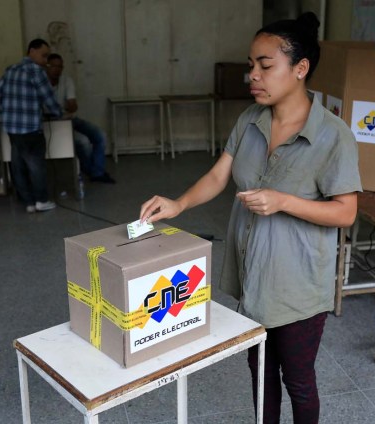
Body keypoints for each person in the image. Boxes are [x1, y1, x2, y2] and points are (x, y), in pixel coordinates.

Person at [139, 12, 361, 424]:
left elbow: (346, 212)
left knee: (298, 379)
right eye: (250, 65)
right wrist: (178, 204)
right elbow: (219, 174)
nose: (252, 76)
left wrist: (284, 201)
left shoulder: (333, 135)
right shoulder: (250, 120)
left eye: (265, 65)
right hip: (253, 275)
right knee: (260, 373)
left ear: (300, 69)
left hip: (298, 286)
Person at [0, 38, 63, 213]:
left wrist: (7, 113)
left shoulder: (11, 70)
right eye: (44, 55)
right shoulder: (36, 72)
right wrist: (59, 113)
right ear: (31, 51)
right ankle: (41, 200)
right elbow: (48, 98)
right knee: (36, 166)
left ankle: (28, 202)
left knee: (17, 164)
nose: (46, 60)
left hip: (12, 128)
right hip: (30, 128)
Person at [46, 53, 115, 183]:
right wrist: (65, 105)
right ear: (47, 67)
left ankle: (97, 172)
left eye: (60, 66)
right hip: (53, 124)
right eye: (53, 66)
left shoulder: (67, 81)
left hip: (69, 119)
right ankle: (93, 172)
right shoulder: (41, 83)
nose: (57, 69)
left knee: (100, 135)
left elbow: (73, 106)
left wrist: (67, 106)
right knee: (83, 142)